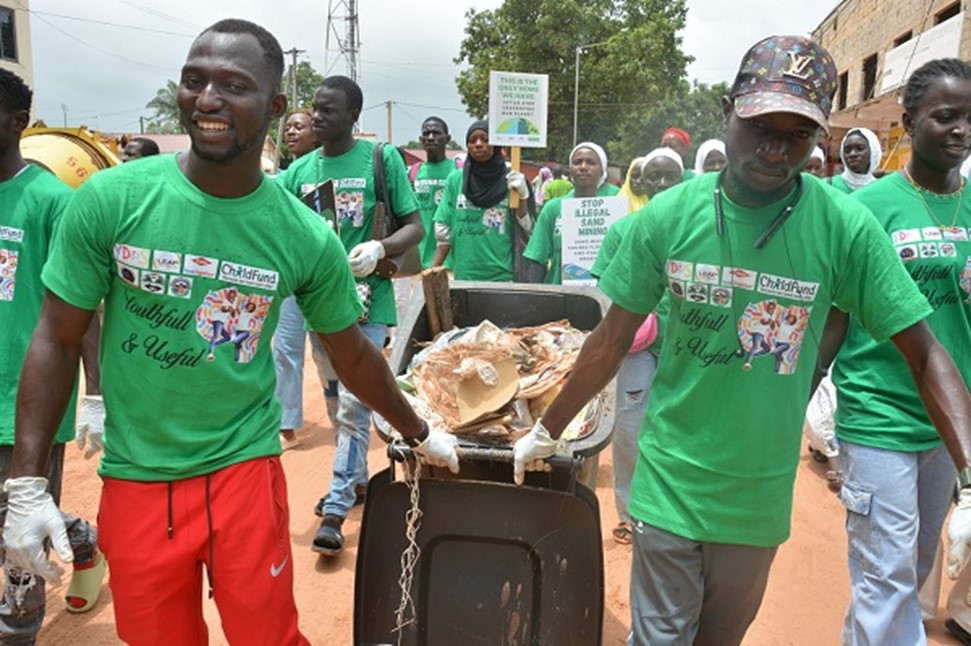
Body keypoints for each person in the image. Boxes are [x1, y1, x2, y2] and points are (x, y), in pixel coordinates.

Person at [1, 20, 458, 645]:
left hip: (243, 474)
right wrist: (27, 483)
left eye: (233, 85)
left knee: (266, 637)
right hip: (136, 479)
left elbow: (351, 355)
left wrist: (419, 431)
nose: (207, 100)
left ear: (273, 107)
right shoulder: (111, 200)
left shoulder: (301, 235)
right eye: (194, 81)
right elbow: (55, 335)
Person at [510, 35, 971, 646]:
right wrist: (548, 430)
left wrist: (969, 477)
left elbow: (926, 351)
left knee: (719, 637)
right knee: (661, 638)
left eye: (798, 135)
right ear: (728, 111)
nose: (776, 151)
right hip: (671, 479)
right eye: (760, 127)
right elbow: (610, 339)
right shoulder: (668, 217)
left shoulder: (845, 230)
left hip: (758, 497)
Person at [826, 58, 971, 646]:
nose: (961, 130)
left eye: (969, 118)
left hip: (949, 422)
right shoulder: (868, 209)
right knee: (885, 576)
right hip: (878, 412)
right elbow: (833, 321)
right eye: (945, 117)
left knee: (908, 570)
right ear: (908, 123)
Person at [277, 74, 425, 556]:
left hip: (368, 302)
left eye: (328, 110)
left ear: (352, 117)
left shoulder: (381, 160)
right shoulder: (298, 174)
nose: (317, 116)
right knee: (334, 396)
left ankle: (337, 506)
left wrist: (380, 246)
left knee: (354, 404)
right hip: (317, 305)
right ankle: (357, 480)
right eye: (314, 108)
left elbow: (415, 226)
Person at [0, 67, 105, 639]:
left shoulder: (52, 204)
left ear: (17, 123)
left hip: (26, 402)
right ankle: (83, 539)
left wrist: (96, 394)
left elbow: (81, 310)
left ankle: (20, 629)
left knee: (20, 541)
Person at [591, 146, 683, 546]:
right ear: (640, 182)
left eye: (670, 177)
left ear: (682, 181)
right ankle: (629, 513)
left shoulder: (700, 232)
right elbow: (605, 290)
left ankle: (673, 511)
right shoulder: (622, 232)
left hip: (687, 348)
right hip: (637, 349)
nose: (662, 184)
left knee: (679, 430)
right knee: (628, 428)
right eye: (654, 177)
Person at [432, 120, 534, 281]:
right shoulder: (455, 180)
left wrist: (522, 197)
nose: (478, 144)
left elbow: (526, 227)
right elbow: (444, 232)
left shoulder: (511, 181)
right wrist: (432, 270)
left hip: (503, 278)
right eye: (472, 141)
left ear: (496, 144)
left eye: (485, 139)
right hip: (464, 276)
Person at [272, 108, 320, 452]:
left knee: (330, 351)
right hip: (290, 277)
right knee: (286, 349)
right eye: (288, 127)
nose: (291, 132)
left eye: (299, 127)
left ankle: (348, 413)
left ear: (316, 134)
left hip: (322, 277)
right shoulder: (281, 177)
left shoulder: (326, 169)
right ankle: (286, 423)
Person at [522, 141, 617, 284]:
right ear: (571, 169)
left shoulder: (618, 202)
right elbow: (538, 259)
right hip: (562, 297)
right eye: (577, 162)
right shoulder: (553, 208)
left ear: (602, 169)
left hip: (607, 297)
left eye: (591, 162)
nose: (583, 167)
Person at [410, 116, 461, 269]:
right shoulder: (413, 173)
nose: (431, 137)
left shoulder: (458, 171)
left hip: (451, 264)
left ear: (448, 139)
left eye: (436, 133)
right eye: (426, 134)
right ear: (421, 139)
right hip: (420, 263)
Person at [830, 127, 881, 193]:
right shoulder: (829, 185)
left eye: (860, 148)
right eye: (847, 150)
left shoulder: (881, 190)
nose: (852, 154)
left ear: (873, 152)